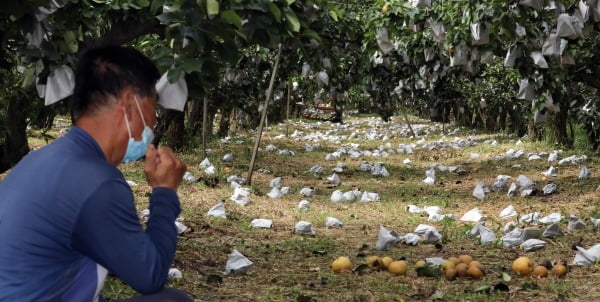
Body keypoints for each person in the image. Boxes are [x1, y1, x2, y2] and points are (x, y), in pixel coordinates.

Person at [0, 46, 191, 302]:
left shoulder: (42, 159)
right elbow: (150, 276)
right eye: (152, 106)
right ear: (129, 104)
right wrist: (165, 193)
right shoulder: (97, 182)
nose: (154, 121)